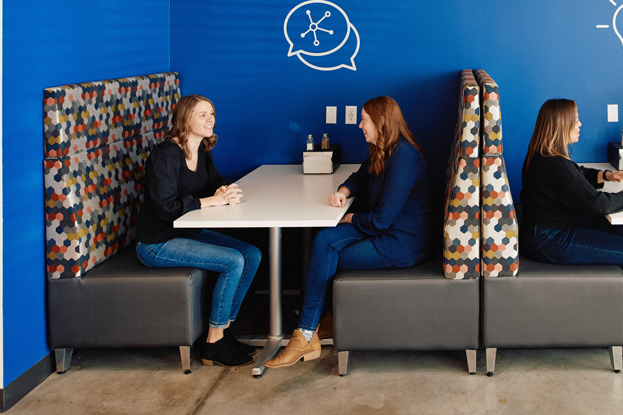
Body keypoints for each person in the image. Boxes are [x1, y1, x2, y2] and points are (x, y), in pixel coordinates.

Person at [264, 95, 434, 368]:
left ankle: (307, 331)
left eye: (364, 119)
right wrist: (343, 192)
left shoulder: (404, 157)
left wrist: (349, 217)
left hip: (402, 242)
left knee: (328, 258)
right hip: (384, 230)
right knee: (324, 240)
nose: (360, 126)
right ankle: (315, 326)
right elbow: (360, 176)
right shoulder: (384, 148)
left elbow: (382, 220)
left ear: (381, 121)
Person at [518, 99, 623, 367]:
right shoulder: (553, 165)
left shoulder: (545, 157)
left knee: (618, 231)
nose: (580, 124)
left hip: (548, 231)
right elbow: (596, 204)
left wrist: (606, 177)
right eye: (575, 120)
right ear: (561, 125)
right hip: (548, 239)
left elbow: (578, 175)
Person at [136, 94, 263, 368]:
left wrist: (226, 189)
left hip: (187, 233)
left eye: (212, 113)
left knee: (251, 254)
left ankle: (224, 331)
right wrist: (211, 201)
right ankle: (213, 342)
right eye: (202, 114)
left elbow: (214, 180)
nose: (210, 119)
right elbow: (165, 208)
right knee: (234, 260)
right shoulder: (166, 154)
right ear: (185, 119)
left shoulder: (203, 148)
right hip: (158, 242)